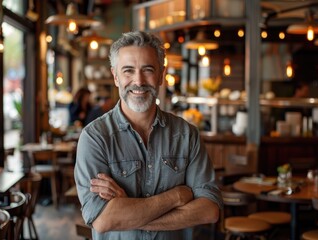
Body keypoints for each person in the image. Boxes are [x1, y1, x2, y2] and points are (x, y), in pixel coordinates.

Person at [74, 31, 222, 240]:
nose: (139, 81)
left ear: (161, 74)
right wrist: (177, 196)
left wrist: (130, 211)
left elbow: (209, 210)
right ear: (115, 76)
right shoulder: (95, 138)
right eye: (128, 71)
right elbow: (103, 220)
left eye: (148, 70)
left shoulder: (187, 135)